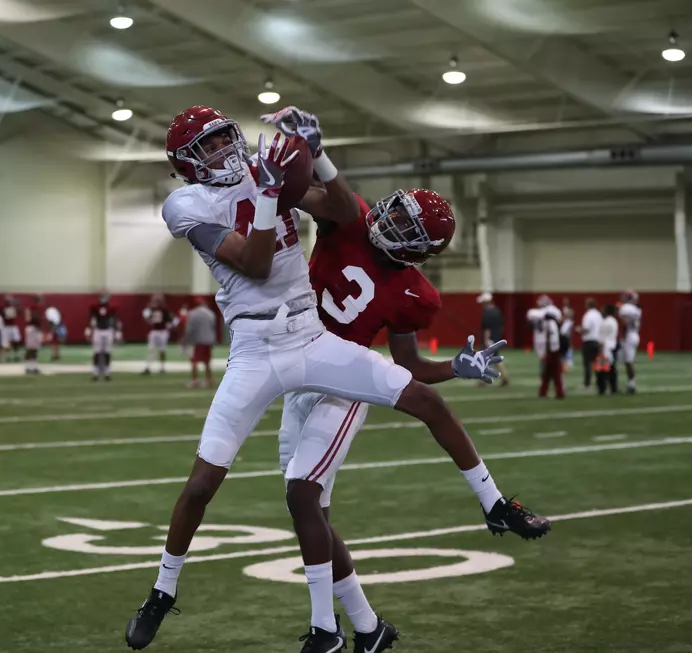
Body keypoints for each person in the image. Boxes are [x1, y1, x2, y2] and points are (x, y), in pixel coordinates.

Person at [124, 105, 549, 653]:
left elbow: (343, 211)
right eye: (208, 145)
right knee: (208, 484)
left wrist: (317, 158)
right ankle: (163, 591)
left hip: (311, 336)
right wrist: (273, 190)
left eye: (226, 137)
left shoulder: (268, 172)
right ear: (185, 162)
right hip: (254, 348)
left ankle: (493, 505)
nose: (226, 149)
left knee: (415, 403)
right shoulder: (184, 204)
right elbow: (253, 263)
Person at [181, 298, 217, 388]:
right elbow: (213, 327)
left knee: (194, 361)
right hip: (208, 340)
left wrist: (185, 340)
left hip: (198, 340)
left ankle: (194, 380)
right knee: (207, 361)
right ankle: (208, 379)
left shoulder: (192, 314)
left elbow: (190, 329)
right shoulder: (210, 314)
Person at [477, 291, 509, 387]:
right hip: (496, 337)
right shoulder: (497, 310)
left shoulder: (487, 312)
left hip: (490, 339)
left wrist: (486, 339)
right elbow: (501, 325)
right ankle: (504, 378)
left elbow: (487, 327)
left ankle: (485, 380)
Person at [85, 293, 120, 381]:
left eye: (105, 297)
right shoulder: (94, 307)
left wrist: (117, 331)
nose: (103, 299)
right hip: (98, 330)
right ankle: (95, 373)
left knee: (107, 352)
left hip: (108, 330)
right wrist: (89, 329)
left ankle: (107, 373)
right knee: (96, 352)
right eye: (102, 297)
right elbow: (91, 318)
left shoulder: (112, 308)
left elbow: (115, 319)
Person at [142, 294, 174, 375]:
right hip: (154, 331)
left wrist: (169, 326)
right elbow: (146, 317)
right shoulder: (151, 308)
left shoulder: (165, 309)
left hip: (162, 331)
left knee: (162, 350)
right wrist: (149, 321)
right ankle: (148, 367)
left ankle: (162, 367)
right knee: (151, 349)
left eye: (158, 299)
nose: (156, 300)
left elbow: (172, 319)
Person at [618, 290, 642, 394]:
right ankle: (631, 383)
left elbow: (625, 322)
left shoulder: (625, 308)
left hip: (628, 336)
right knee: (627, 361)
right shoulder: (637, 309)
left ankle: (631, 384)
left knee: (626, 361)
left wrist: (623, 337)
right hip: (634, 334)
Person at [538, 305, 565, 399]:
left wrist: (545, 351)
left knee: (551, 373)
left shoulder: (549, 323)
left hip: (551, 351)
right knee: (551, 373)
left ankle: (552, 392)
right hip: (554, 350)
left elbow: (549, 339)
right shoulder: (554, 323)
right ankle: (553, 392)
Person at [578, 298, 602, 390]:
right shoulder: (598, 314)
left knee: (587, 363)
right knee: (598, 363)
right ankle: (599, 382)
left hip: (589, 341)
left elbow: (586, 329)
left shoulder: (588, 315)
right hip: (597, 340)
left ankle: (587, 383)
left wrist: (579, 330)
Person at [597, 304, 620, 395]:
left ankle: (602, 389)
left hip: (606, 347)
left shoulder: (605, 322)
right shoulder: (614, 321)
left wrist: (600, 350)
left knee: (602, 370)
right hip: (612, 346)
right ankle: (613, 388)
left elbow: (602, 338)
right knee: (612, 369)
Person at [24, 295, 45, 375]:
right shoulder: (35, 308)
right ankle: (30, 367)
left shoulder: (32, 307)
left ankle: (31, 367)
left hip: (32, 328)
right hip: (33, 329)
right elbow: (35, 317)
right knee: (32, 349)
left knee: (33, 349)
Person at [1, 295, 22, 362]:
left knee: (16, 341)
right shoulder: (4, 309)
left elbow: (18, 312)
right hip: (7, 327)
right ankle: (8, 356)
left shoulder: (13, 308)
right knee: (7, 343)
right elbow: (8, 316)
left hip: (13, 327)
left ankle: (16, 355)